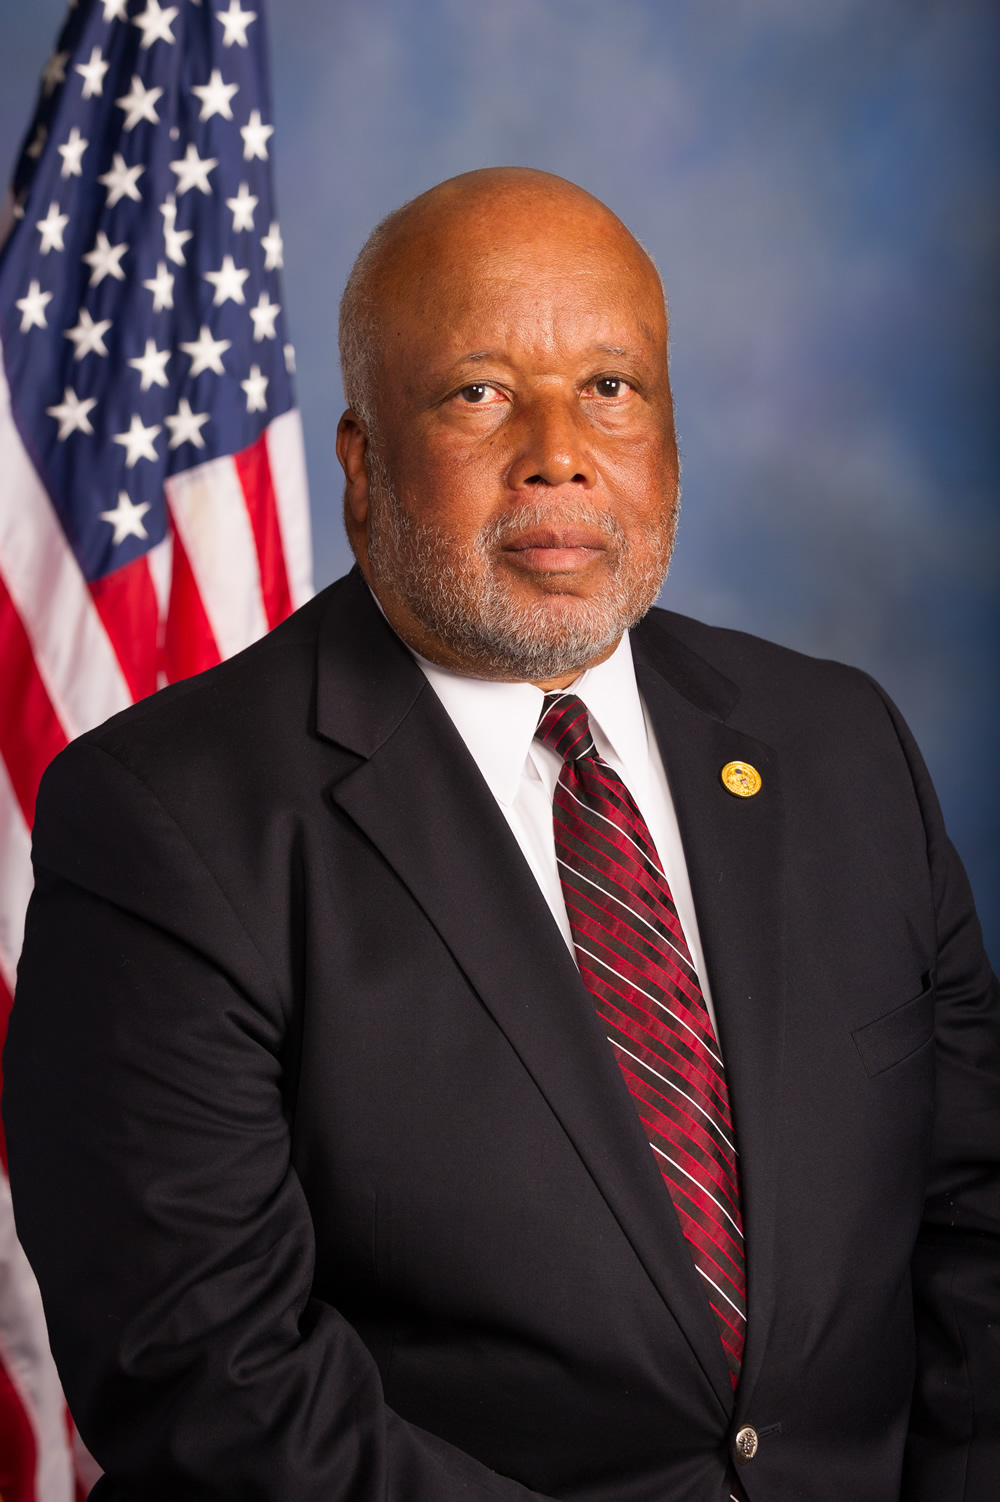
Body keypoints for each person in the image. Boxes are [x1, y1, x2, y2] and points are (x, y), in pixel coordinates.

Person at [4, 167, 998, 1502]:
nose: (560, 449)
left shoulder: (842, 745)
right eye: (480, 391)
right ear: (361, 464)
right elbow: (212, 1383)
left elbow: (974, 1233)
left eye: (612, 387)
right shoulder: (167, 822)